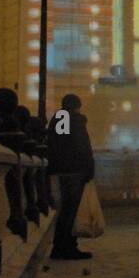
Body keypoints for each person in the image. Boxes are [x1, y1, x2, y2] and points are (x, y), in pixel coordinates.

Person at [47, 92, 95, 261]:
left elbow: (58, 145)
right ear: (77, 106)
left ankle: (60, 246)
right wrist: (89, 168)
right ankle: (67, 247)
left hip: (61, 170)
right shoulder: (75, 120)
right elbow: (81, 146)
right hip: (75, 171)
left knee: (65, 211)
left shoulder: (59, 119)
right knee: (71, 211)